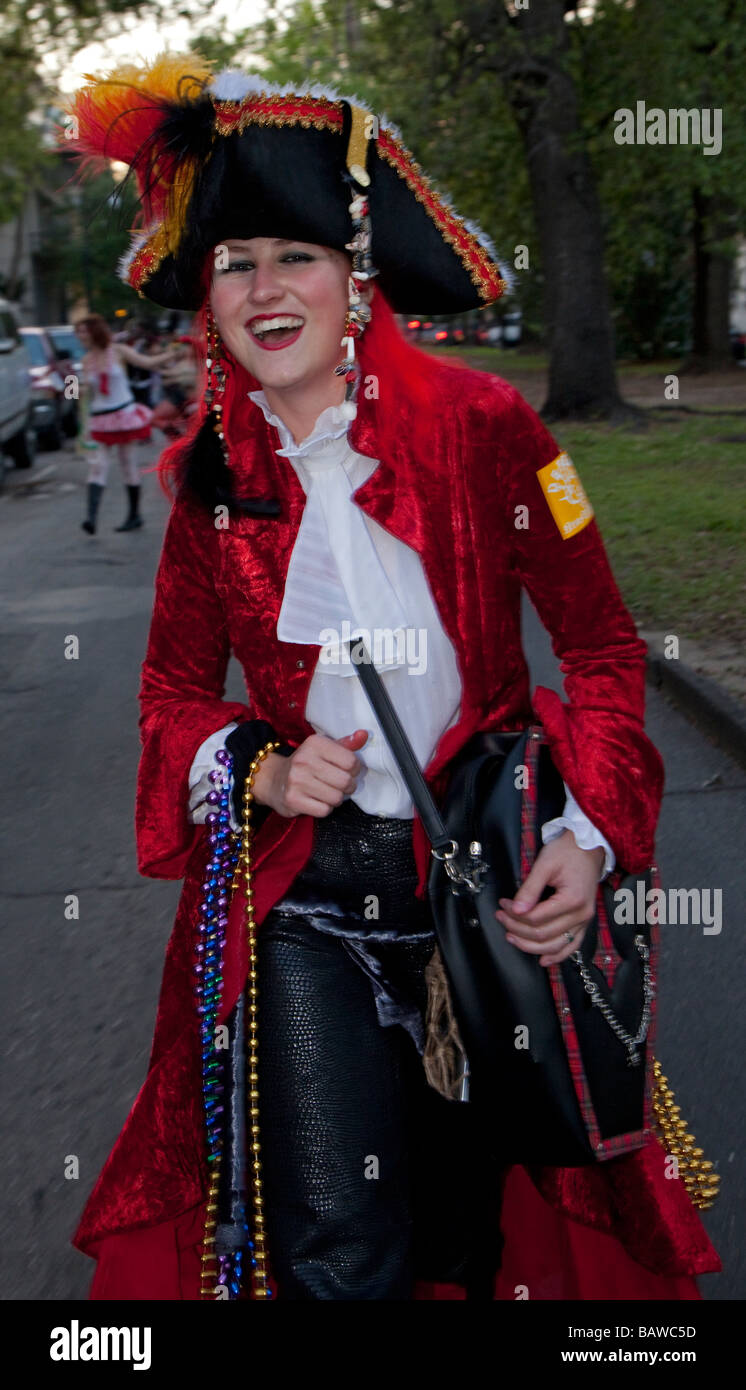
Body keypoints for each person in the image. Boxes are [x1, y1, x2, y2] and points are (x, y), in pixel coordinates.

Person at [62, 55, 720, 1301]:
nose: (265, 287)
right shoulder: (208, 487)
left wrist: (582, 837)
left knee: (469, 1242)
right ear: (207, 295)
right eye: (236, 260)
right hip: (310, 914)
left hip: (486, 907)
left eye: (295, 254)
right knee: (336, 1253)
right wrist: (256, 761)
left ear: (356, 280)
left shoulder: (486, 432)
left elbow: (600, 648)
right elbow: (166, 699)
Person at [74, 313, 176, 533]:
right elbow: (80, 391)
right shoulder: (85, 361)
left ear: (95, 331)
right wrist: (71, 387)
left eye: (83, 330)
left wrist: (172, 353)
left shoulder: (118, 351)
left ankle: (134, 515)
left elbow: (147, 362)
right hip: (101, 417)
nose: (79, 335)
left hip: (124, 415)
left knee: (127, 463)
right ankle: (91, 519)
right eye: (78, 331)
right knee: (98, 465)